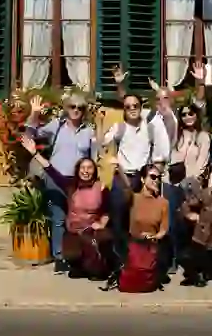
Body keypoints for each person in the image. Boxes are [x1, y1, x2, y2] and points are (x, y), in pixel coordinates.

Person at [23, 93, 98, 273]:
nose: (76, 111)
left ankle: (77, 254)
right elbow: (30, 134)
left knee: (78, 219)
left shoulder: (88, 131)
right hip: (55, 177)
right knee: (58, 218)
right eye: (72, 107)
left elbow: (94, 157)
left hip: (79, 182)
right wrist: (34, 114)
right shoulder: (57, 126)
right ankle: (59, 256)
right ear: (67, 108)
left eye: (80, 108)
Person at [19, 136, 111, 279]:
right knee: (73, 262)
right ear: (78, 170)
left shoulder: (101, 188)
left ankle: (96, 264)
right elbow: (51, 171)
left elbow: (107, 210)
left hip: (92, 233)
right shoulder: (70, 186)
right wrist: (35, 154)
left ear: (94, 171)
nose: (86, 171)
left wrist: (101, 223)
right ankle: (81, 263)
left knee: (96, 271)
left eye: (89, 168)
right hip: (74, 233)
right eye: (83, 168)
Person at [102, 92, 171, 266]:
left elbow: (162, 151)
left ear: (141, 107)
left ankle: (143, 259)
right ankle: (120, 259)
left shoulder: (150, 126)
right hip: (123, 176)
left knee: (141, 220)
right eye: (128, 107)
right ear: (123, 110)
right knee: (118, 218)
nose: (132, 109)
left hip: (141, 177)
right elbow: (103, 142)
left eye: (135, 106)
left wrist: (156, 170)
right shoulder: (120, 127)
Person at [104, 161, 170, 291]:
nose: (156, 181)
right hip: (133, 244)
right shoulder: (134, 198)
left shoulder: (163, 203)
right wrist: (121, 170)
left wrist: (153, 236)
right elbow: (126, 188)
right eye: (152, 177)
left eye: (159, 178)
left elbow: (164, 229)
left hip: (152, 245)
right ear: (142, 179)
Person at [172, 103, 211, 185]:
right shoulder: (178, 134)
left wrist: (191, 180)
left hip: (192, 182)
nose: (187, 117)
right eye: (184, 115)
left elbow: (201, 163)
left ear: (196, 115)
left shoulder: (203, 136)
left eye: (190, 114)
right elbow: (173, 159)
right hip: (175, 181)